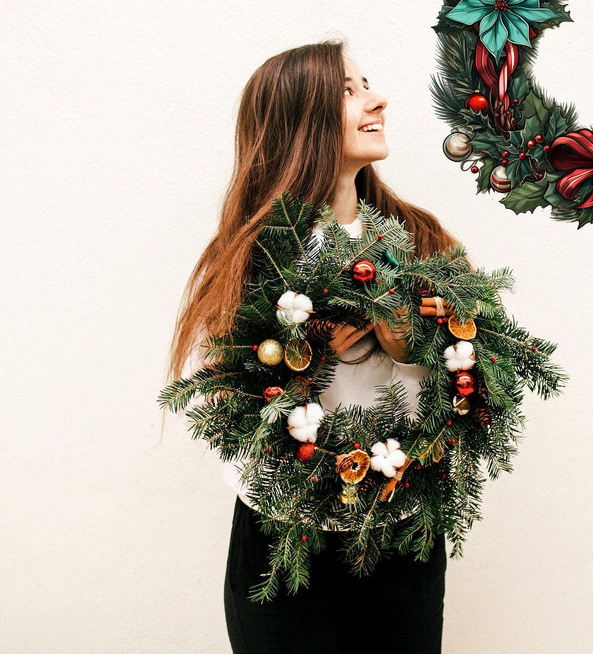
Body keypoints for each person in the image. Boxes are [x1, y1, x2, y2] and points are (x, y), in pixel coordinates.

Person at [166, 39, 458, 654]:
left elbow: (469, 377)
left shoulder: (418, 238)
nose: (377, 99)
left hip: (404, 529)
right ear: (300, 123)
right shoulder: (252, 255)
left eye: (367, 84)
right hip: (283, 540)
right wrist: (303, 356)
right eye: (348, 91)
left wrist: (408, 342)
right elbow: (221, 401)